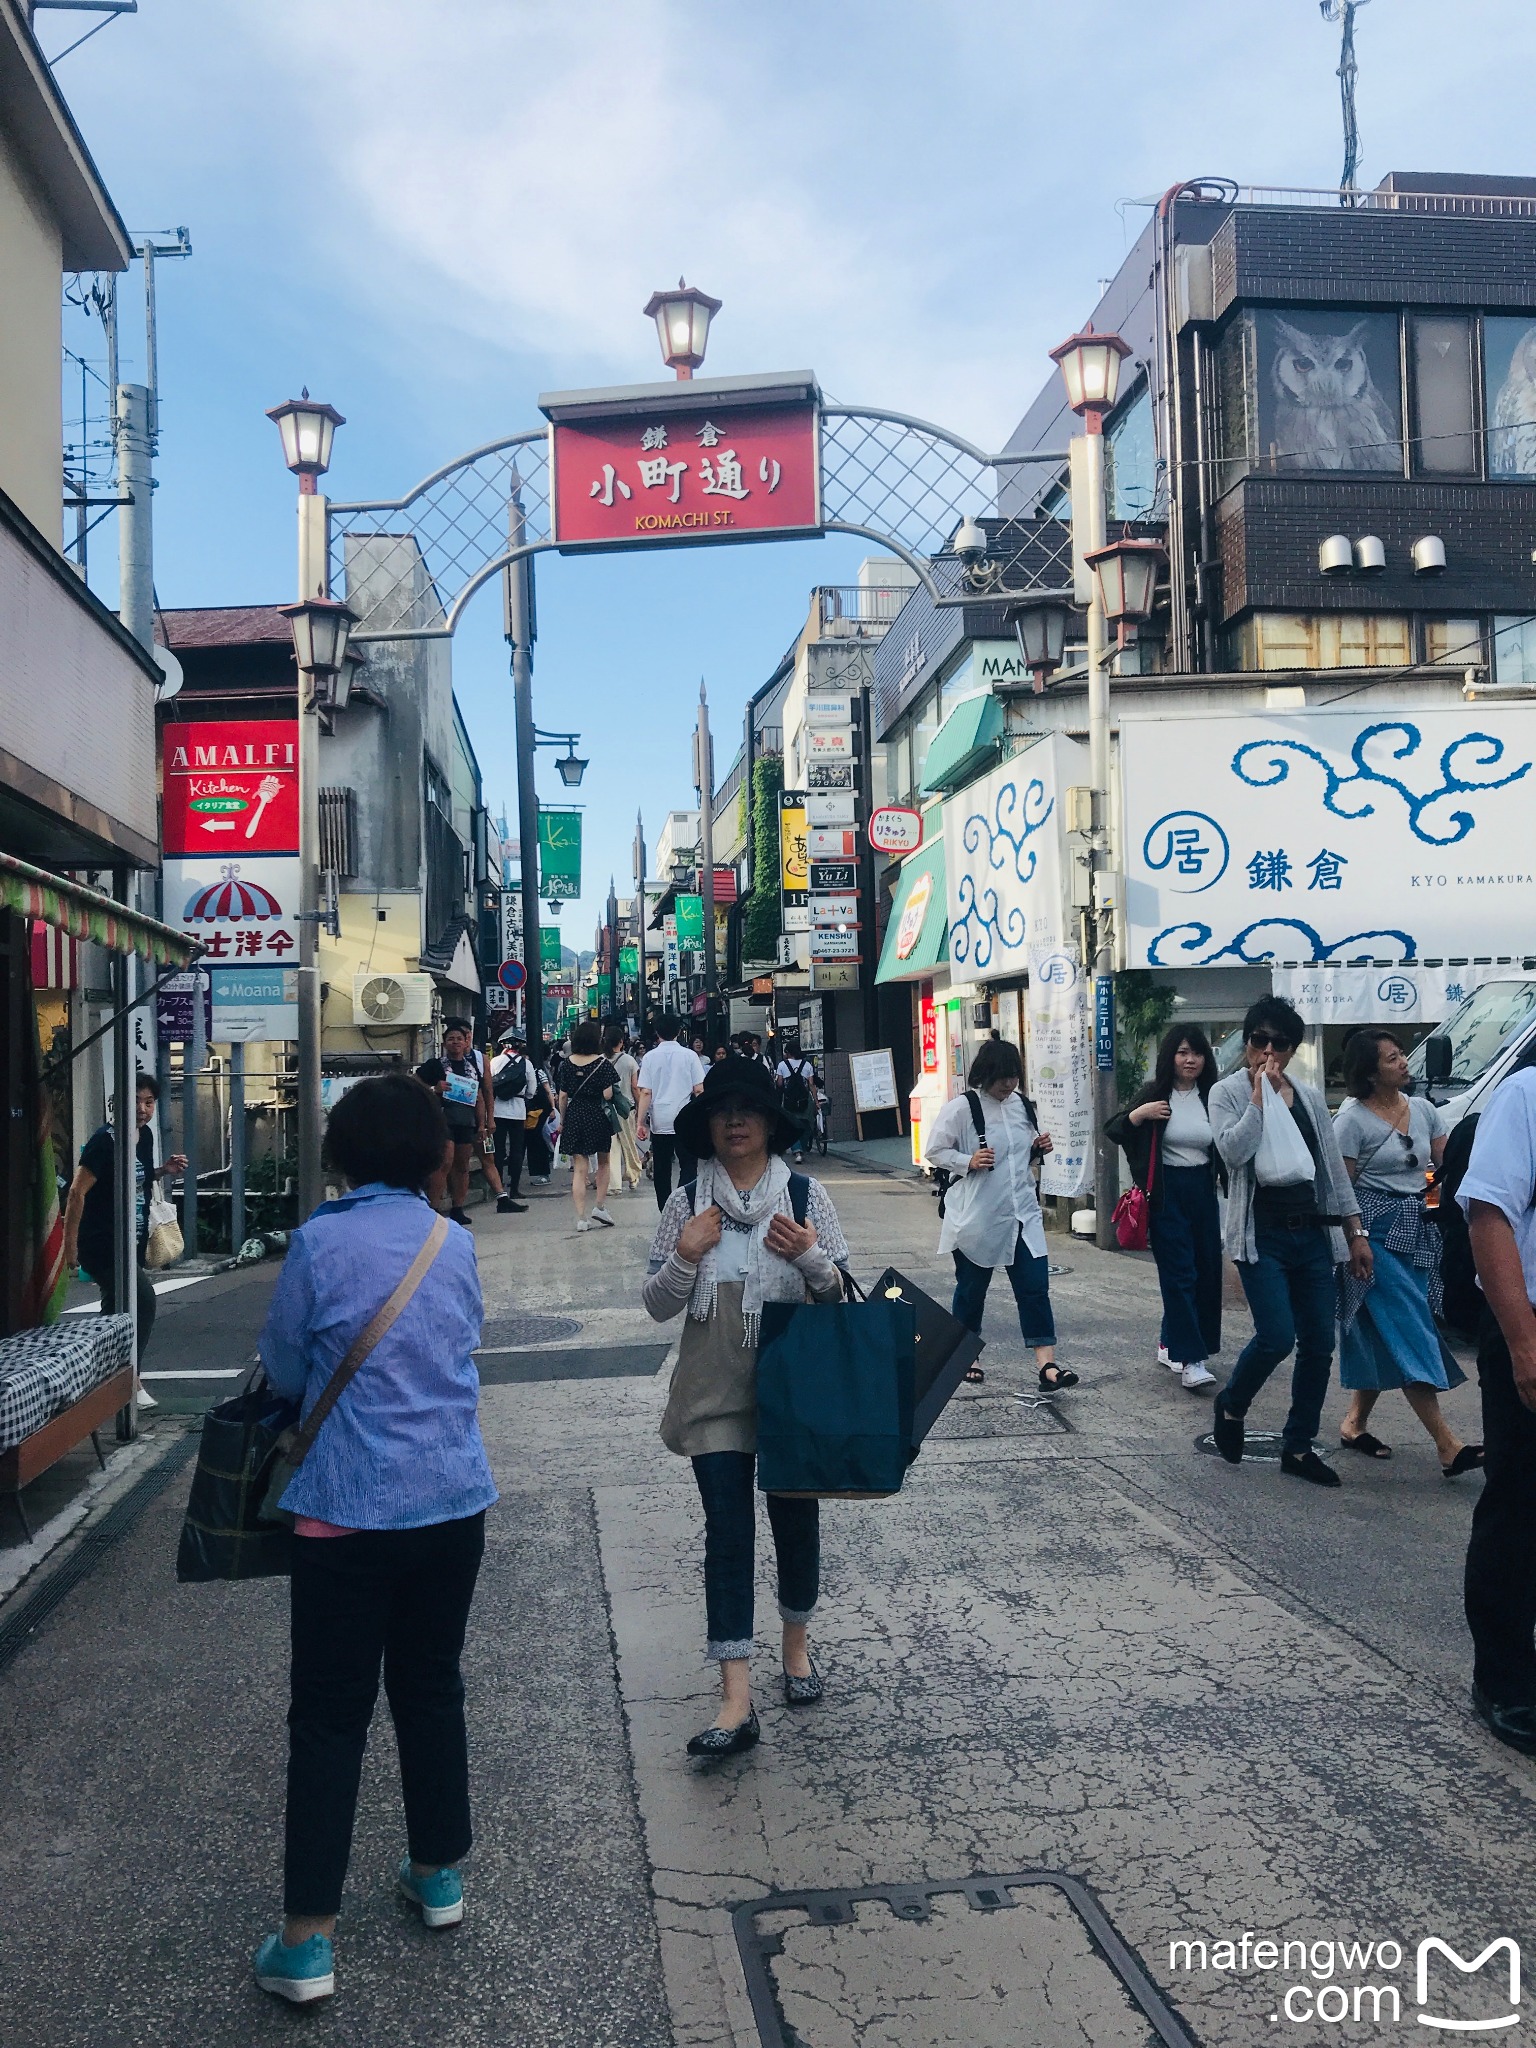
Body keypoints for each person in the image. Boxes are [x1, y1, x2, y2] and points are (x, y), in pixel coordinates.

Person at [251, 1072, 497, 2006]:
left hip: (343, 1511)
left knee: (328, 1716)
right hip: (451, 1501)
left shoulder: (318, 1243)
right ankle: (438, 1874)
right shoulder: (454, 1243)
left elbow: (283, 1361)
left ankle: (308, 1940)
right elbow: (459, 1340)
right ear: (436, 1156)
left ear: (343, 1156)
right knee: (430, 1688)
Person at [643, 1056, 849, 1758]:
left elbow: (844, 1300)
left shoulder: (805, 1196)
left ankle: (796, 1649)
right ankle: (735, 1699)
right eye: (722, 1110)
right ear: (707, 1125)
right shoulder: (685, 1204)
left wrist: (814, 1261)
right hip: (714, 1392)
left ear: (769, 1122)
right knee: (727, 1533)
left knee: (795, 1522)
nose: (735, 1120)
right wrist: (683, 1258)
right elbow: (655, 1304)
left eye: (748, 1109)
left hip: (792, 1391)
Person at [1208, 997, 1372, 1487]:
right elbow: (1234, 1151)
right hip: (1263, 1238)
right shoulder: (1227, 1092)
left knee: (1319, 1344)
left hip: (1314, 1237)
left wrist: (1355, 1231)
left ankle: (1298, 1446)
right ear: (1247, 1042)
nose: (1268, 1051)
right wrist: (1260, 1099)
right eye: (1259, 1040)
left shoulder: (1310, 1096)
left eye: (1280, 1043)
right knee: (1277, 1335)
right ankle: (1233, 1404)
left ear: (1293, 1048)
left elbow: (1331, 1172)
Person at [1333, 1029, 1480, 1476]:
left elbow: (1438, 1169)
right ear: (1370, 1072)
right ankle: (1447, 1445)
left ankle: (1354, 1422)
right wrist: (1356, 1238)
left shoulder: (1423, 1110)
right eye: (1392, 1058)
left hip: (1415, 1232)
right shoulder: (1351, 1121)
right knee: (1411, 1327)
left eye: (1401, 1055)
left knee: (1387, 1330)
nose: (1403, 1062)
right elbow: (1344, 1190)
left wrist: (1432, 1210)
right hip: (1373, 1236)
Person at [925, 1037, 1076, 1393]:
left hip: (1022, 1214)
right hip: (978, 1215)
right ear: (985, 1074)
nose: (1009, 1084)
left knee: (1035, 1287)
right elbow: (934, 1149)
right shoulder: (963, 1108)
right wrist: (967, 1161)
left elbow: (1020, 1157)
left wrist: (1038, 1149)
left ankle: (1047, 1364)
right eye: (1002, 1077)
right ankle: (967, 1355)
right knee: (972, 1290)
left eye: (1014, 1077)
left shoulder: (1023, 1106)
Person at [1459, 1055, 1536, 1753]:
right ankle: (1505, 1682)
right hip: (1530, 1320)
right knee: (1520, 1506)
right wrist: (1524, 1344)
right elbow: (1490, 1219)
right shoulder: (1524, 1096)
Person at [1106, 1026, 1225, 1391]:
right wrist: (1139, 1114)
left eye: (1197, 1053)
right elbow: (1114, 1129)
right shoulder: (1156, 1094)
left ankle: (1169, 1341)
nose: (1190, 1060)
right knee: (1179, 1274)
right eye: (1183, 1052)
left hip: (1203, 1191)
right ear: (1170, 1056)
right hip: (1166, 1193)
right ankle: (1191, 1359)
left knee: (1205, 1271)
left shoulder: (1214, 1096)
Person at [61, 1074, 186, 1388]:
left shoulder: (143, 1137)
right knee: (143, 1302)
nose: (143, 1109)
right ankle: (130, 1380)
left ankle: (98, 1380)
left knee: (115, 1313)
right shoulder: (104, 1141)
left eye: (149, 1102)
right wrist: (70, 1245)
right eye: (136, 1101)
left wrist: (163, 1171)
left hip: (132, 1239)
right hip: (102, 1242)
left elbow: (137, 1178)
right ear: (118, 1104)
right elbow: (76, 1192)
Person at [440, 1018, 507, 1225]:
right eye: (453, 1038)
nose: (460, 1041)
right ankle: (440, 1204)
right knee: (447, 1161)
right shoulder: (439, 1065)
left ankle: (499, 1196)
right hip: (445, 1121)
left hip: (472, 1120)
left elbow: (484, 1091)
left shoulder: (478, 1061)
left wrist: (487, 1120)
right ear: (445, 1042)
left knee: (480, 1159)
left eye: (463, 1037)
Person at [637, 1014, 707, 1208]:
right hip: (685, 1118)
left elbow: (646, 1092)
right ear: (678, 1032)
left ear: (657, 1033)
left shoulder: (650, 1057)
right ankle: (683, 1201)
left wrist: (640, 1122)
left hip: (660, 1119)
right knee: (689, 1163)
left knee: (662, 1166)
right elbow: (699, 1089)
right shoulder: (690, 1056)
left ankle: (665, 1206)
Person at [556, 1020, 617, 1232]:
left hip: (575, 1115)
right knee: (603, 1162)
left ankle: (581, 1219)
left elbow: (563, 1096)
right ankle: (599, 1206)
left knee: (580, 1168)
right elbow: (608, 1094)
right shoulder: (603, 1064)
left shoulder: (566, 1064)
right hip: (597, 1115)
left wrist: (563, 1120)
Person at [487, 1028, 532, 1212]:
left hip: (497, 1109)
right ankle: (515, 1188)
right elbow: (531, 1090)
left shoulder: (494, 1061)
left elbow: (489, 1086)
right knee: (516, 1150)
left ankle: (499, 1189)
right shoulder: (526, 1064)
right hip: (518, 1111)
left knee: (498, 1150)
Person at [604, 1021, 643, 1193]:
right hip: (626, 1108)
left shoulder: (600, 1060)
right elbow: (635, 1087)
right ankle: (632, 1176)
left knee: (611, 1147)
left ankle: (614, 1185)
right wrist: (641, 1109)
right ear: (622, 1041)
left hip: (606, 1109)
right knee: (629, 1143)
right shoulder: (629, 1061)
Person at [776, 1045, 817, 1165]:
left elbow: (779, 1083)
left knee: (789, 1125)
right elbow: (811, 1085)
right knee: (806, 1124)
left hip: (789, 1099)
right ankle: (801, 1149)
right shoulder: (807, 1065)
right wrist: (816, 1101)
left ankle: (797, 1150)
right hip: (805, 1099)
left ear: (788, 1053)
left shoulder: (782, 1065)